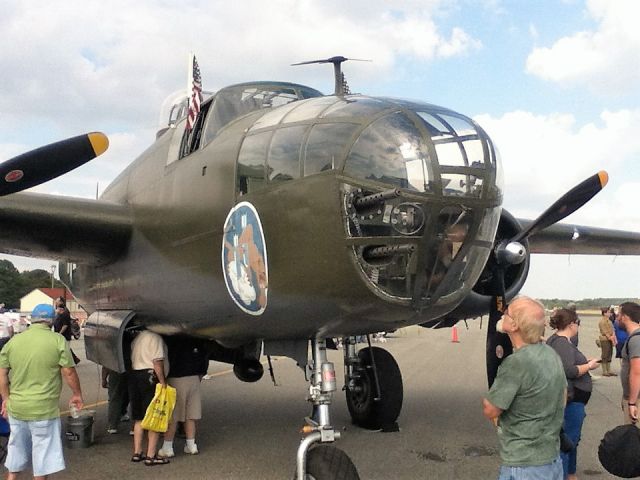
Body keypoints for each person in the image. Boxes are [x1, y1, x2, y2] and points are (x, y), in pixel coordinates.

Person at [482, 296, 566, 480]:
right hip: (551, 459)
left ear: (514, 326)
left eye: (507, 313)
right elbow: (563, 396)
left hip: (524, 466)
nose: (503, 315)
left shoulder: (517, 362)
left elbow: (491, 409)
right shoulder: (551, 354)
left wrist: (489, 399)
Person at [0, 303, 83, 480]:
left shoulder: (14, 341)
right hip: (44, 410)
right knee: (42, 458)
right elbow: (68, 371)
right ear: (52, 321)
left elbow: (3, 374)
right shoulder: (57, 340)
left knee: (15, 453)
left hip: (17, 407)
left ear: (33, 319)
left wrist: (6, 399)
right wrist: (77, 394)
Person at [547, 308, 600, 480]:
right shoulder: (562, 342)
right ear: (571, 324)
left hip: (574, 399)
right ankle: (562, 474)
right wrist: (589, 366)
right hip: (571, 399)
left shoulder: (558, 341)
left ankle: (570, 473)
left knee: (572, 440)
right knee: (567, 441)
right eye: (577, 323)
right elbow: (569, 370)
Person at [158, 336, 210, 458]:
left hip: (175, 378)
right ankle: (191, 445)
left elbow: (164, 361)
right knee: (191, 415)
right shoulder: (196, 338)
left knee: (173, 416)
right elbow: (204, 359)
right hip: (194, 378)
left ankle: (167, 447)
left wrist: (162, 379)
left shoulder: (170, 339)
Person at [128, 329, 170, 466]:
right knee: (154, 416)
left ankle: (137, 452)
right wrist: (163, 382)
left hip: (135, 376)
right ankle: (151, 456)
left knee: (139, 417)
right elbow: (157, 362)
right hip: (150, 377)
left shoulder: (137, 338)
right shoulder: (155, 337)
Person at [617, 302, 640, 425]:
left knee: (634, 438)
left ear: (625, 317)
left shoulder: (636, 339)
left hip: (636, 400)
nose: (617, 318)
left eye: (619, 315)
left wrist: (632, 402)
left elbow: (637, 372)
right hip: (634, 397)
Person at [101, 366, 129, 434]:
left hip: (115, 371)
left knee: (114, 397)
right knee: (133, 396)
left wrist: (104, 379)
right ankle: (134, 427)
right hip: (133, 370)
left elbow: (106, 364)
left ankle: (113, 425)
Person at [598, 307, 617, 376]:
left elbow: (613, 329)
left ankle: (609, 370)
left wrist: (613, 337)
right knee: (605, 355)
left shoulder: (609, 321)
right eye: (608, 312)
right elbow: (605, 332)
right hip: (605, 340)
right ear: (604, 313)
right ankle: (604, 371)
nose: (610, 313)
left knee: (609, 354)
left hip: (610, 339)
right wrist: (611, 338)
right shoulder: (602, 322)